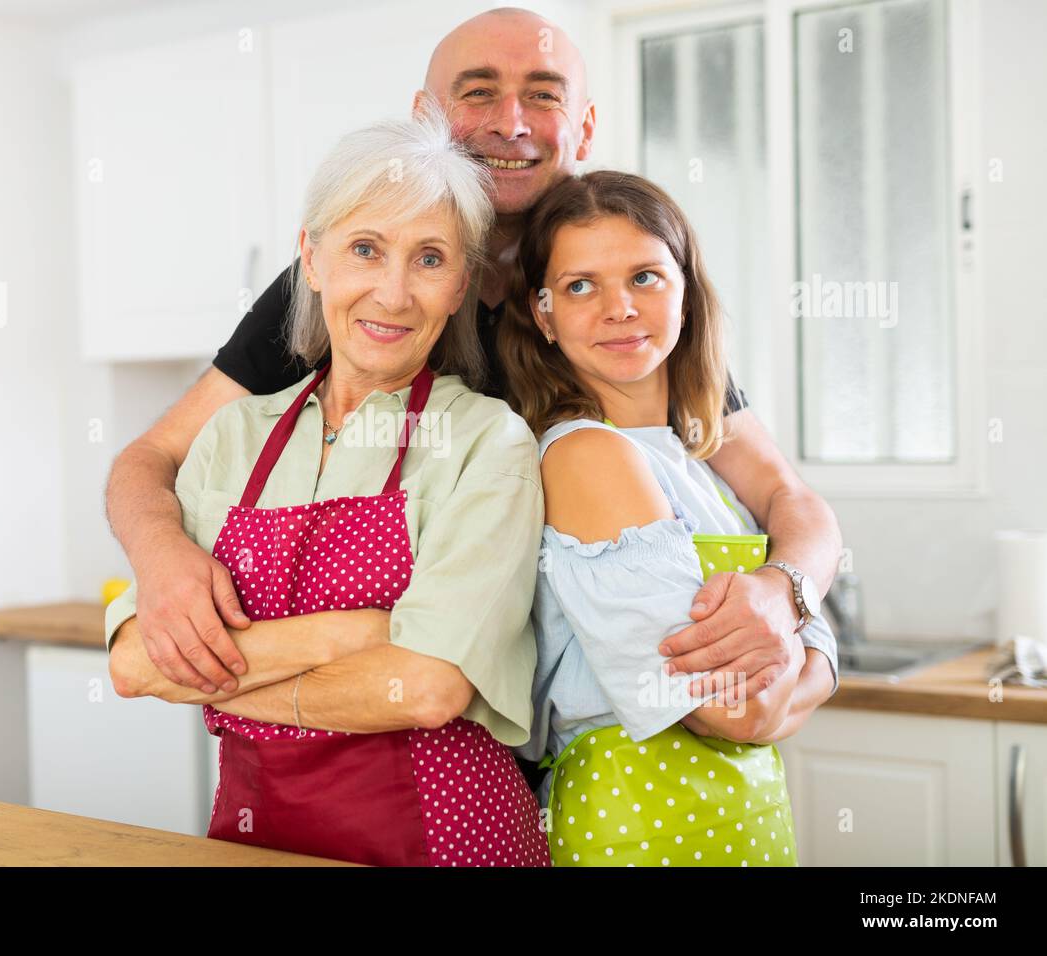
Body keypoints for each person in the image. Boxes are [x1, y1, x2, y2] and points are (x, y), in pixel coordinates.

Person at [103, 7, 844, 792]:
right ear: (424, 117)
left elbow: (785, 496)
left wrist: (786, 593)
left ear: (583, 128)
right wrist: (165, 561)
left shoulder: (614, 308)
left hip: (557, 758)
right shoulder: (342, 296)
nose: (511, 122)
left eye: (544, 95)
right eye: (479, 92)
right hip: (372, 752)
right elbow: (150, 457)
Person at [106, 108, 551, 867]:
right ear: (310, 260)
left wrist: (215, 684)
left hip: (442, 840)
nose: (394, 292)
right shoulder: (232, 437)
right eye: (365, 249)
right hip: (255, 838)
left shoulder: (489, 443)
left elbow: (429, 688)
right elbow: (134, 665)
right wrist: (356, 633)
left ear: (460, 287)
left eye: (430, 259)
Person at [498, 169, 838, 866]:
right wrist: (809, 658)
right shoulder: (588, 456)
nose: (619, 308)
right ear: (544, 314)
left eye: (645, 277)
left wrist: (793, 633)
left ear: (686, 290)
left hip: (746, 817)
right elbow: (738, 713)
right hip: (638, 822)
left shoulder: (703, 453)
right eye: (581, 286)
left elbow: (800, 648)